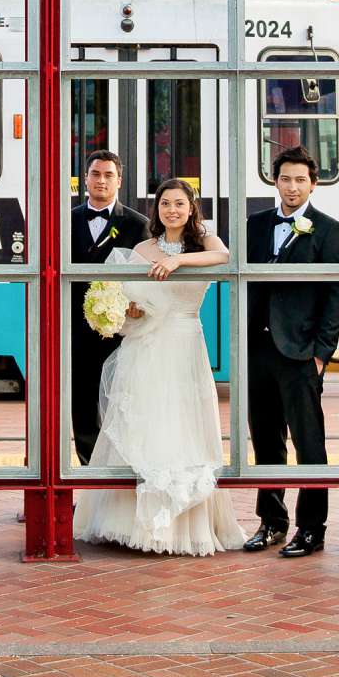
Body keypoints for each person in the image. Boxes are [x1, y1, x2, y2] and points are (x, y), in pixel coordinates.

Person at [74, 178, 242, 556]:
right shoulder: (142, 248)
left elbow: (225, 257)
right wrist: (129, 310)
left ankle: (180, 526)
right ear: (158, 209)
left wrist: (179, 259)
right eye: (165, 203)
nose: (172, 210)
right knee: (143, 425)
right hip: (145, 348)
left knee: (183, 425)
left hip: (184, 344)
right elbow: (132, 297)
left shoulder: (206, 244)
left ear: (191, 207)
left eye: (179, 203)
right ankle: (132, 523)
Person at [242, 144, 339, 559]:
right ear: (275, 180)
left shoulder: (328, 229)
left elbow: (335, 294)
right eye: (285, 178)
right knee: (266, 441)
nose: (291, 186)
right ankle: (271, 522)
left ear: (313, 184)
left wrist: (322, 352)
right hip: (258, 349)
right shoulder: (254, 224)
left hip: (301, 352)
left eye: (300, 180)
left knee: (310, 444)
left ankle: (311, 528)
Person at [69, 148, 151, 465]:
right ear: (85, 179)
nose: (101, 180)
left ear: (119, 180)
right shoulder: (66, 221)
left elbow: (144, 279)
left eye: (108, 175)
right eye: (95, 174)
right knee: (84, 405)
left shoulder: (137, 224)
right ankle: (91, 475)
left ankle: (119, 471)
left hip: (121, 333)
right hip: (76, 331)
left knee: (120, 404)